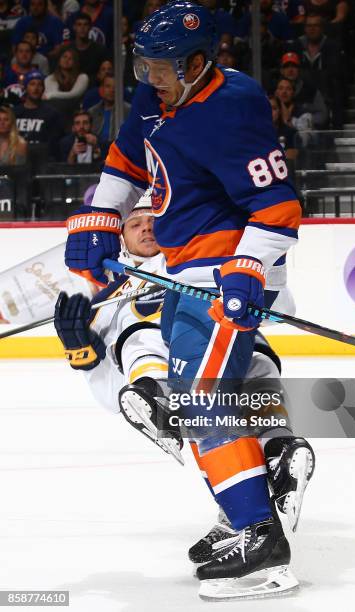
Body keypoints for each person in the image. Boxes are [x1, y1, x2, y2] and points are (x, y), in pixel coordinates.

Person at [63, 1, 314, 600]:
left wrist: (249, 267)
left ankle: (260, 539)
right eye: (145, 64)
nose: (151, 76)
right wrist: (100, 221)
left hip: (222, 273)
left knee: (203, 401)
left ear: (199, 62)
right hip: (186, 269)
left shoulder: (233, 107)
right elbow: (124, 163)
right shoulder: (158, 100)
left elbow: (277, 206)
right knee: (194, 399)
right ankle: (252, 495)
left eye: (163, 66)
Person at [14, 70, 64, 157]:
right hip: (17, 159)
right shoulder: (14, 113)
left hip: (43, 161)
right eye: (32, 84)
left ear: (43, 88)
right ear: (25, 88)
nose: (36, 88)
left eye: (40, 84)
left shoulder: (52, 114)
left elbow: (54, 145)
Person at [89, 75, 131, 156]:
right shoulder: (92, 112)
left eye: (115, 87)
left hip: (119, 153)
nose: (112, 90)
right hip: (95, 153)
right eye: (108, 86)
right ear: (101, 90)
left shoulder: (128, 111)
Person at [66, 12, 108, 84]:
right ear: (74, 27)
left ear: (90, 27)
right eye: (79, 25)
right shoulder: (67, 49)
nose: (82, 28)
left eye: (85, 24)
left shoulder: (99, 50)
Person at [268, 94, 298, 160]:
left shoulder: (291, 133)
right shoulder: (254, 134)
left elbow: (291, 158)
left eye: (273, 108)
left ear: (280, 111)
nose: (269, 111)